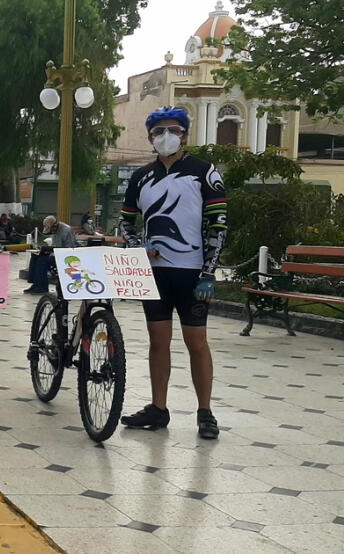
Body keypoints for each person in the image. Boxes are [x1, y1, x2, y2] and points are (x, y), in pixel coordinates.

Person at [119, 106, 227, 440]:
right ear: (150, 137)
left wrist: (209, 272)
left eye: (174, 130)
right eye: (159, 131)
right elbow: (125, 221)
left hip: (192, 270)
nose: (167, 136)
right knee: (158, 341)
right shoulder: (141, 177)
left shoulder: (204, 172)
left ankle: (205, 412)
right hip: (154, 273)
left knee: (196, 342)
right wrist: (138, 246)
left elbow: (218, 224)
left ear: (185, 133)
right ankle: (158, 408)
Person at [24, 215, 78, 294]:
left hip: (65, 257)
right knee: (35, 256)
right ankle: (36, 283)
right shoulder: (54, 230)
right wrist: (45, 249)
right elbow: (55, 245)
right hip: (56, 254)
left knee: (42, 260)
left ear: (55, 226)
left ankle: (42, 287)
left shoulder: (66, 230)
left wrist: (50, 249)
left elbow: (69, 248)